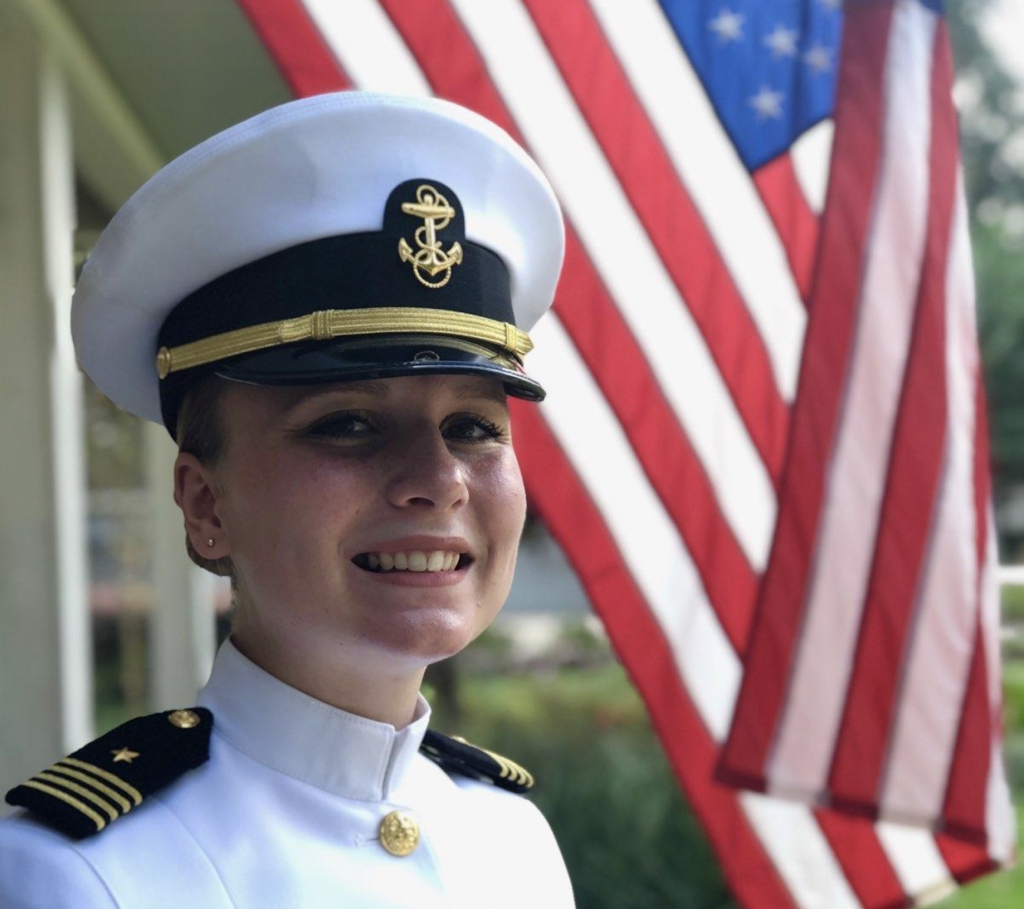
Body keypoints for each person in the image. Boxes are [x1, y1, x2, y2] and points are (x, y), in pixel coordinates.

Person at [0, 91, 574, 908]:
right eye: (348, 423)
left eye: (474, 426)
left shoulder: (512, 841)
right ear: (205, 506)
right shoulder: (79, 878)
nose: (440, 477)